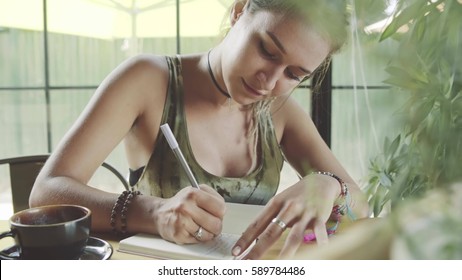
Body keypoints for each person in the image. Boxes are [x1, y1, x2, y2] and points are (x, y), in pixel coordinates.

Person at [30, 0, 369, 259]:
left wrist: (329, 184)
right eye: (266, 50)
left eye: (294, 75)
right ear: (238, 11)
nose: (268, 82)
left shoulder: (280, 112)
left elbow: (363, 203)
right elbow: (47, 192)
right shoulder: (148, 80)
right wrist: (156, 212)